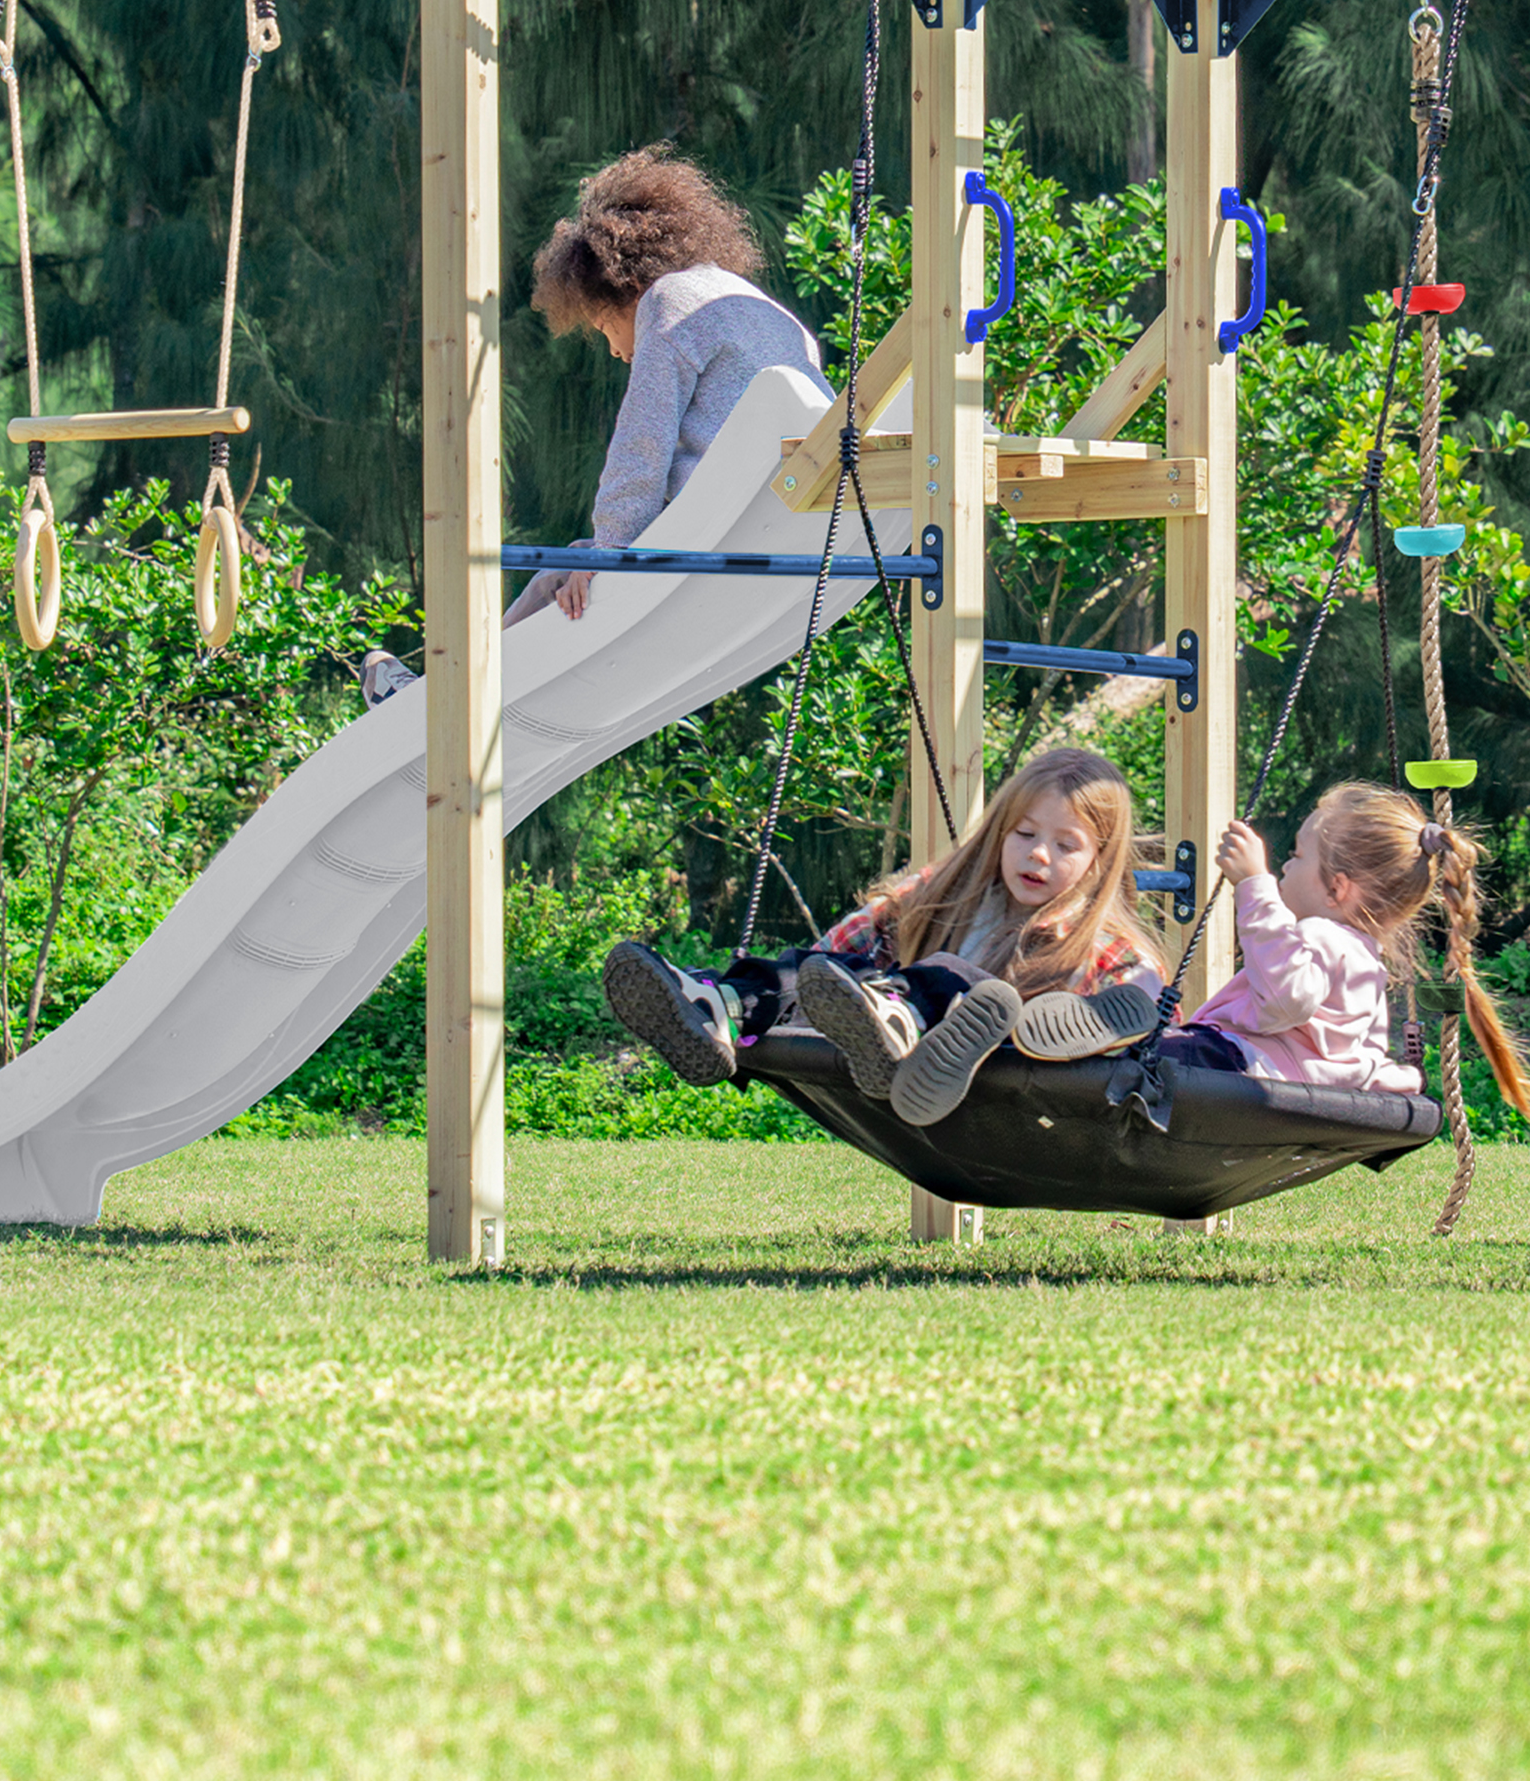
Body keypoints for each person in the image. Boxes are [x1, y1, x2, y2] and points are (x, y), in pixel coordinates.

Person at [362, 149, 819, 703]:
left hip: (698, 545)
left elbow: (640, 452)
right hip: (784, 538)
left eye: (604, 325)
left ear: (625, 286)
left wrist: (608, 557)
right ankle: (448, 690)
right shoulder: (781, 322)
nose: (616, 351)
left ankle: (437, 702)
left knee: (558, 576)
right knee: (570, 565)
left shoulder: (671, 302)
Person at [603, 747, 1165, 1128]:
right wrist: (811, 985)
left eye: (1067, 846)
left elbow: (1142, 1007)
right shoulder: (946, 893)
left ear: (1099, 861)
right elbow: (833, 952)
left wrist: (1137, 996)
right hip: (892, 1036)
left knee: (960, 980)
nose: (1039, 853)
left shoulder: (1100, 942)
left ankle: (899, 1015)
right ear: (1000, 831)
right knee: (812, 970)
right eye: (1024, 834)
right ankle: (719, 1006)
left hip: (990, 1081)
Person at [1009, 781, 1530, 1138]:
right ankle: (1104, 1031)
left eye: (1298, 858)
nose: (1284, 871)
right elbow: (1357, 1057)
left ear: (1338, 890)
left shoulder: (1325, 937)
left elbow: (1286, 997)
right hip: (1259, 1072)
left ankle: (1096, 1033)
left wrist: (1253, 885)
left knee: (1143, 1059)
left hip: (1238, 1066)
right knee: (1150, 1052)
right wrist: (1399, 1079)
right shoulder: (1363, 961)